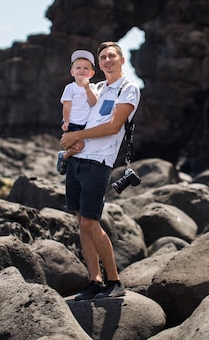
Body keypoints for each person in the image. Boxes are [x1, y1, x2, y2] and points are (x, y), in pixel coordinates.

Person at [59, 41, 141, 300]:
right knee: (81, 222)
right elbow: (73, 114)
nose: (107, 60)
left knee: (90, 221)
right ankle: (94, 280)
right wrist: (69, 137)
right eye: (103, 57)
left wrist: (77, 135)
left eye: (112, 56)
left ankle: (114, 281)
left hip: (98, 162)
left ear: (122, 60)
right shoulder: (95, 88)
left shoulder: (128, 89)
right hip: (77, 160)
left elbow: (113, 127)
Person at [56, 50, 98, 175]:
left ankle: (68, 159)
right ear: (72, 72)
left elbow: (93, 102)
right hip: (73, 122)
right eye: (78, 67)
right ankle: (63, 156)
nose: (82, 70)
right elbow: (67, 105)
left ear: (91, 73)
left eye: (86, 68)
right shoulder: (70, 87)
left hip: (86, 124)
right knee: (78, 146)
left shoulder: (93, 87)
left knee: (80, 146)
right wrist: (66, 121)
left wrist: (87, 88)